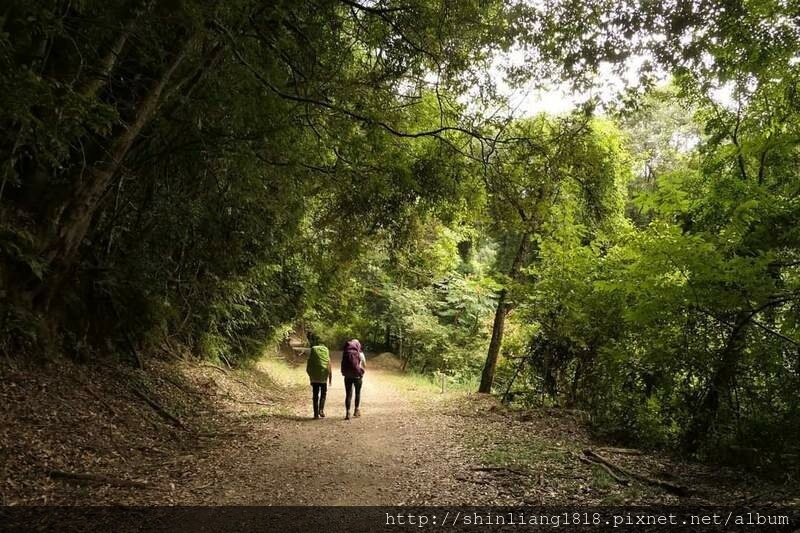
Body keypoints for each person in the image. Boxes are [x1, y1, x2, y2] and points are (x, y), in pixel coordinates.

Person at [305, 334, 331, 419]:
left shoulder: (312, 355)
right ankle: (321, 410)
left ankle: (315, 414)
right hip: (323, 378)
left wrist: (311, 376)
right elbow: (329, 367)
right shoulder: (326, 355)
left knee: (315, 395)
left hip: (314, 378)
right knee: (323, 394)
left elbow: (308, 368)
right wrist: (330, 378)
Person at [341, 338, 366, 420]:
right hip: (357, 376)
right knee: (357, 393)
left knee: (348, 394)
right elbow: (364, 365)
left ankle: (348, 412)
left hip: (347, 376)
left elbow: (343, 363)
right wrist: (361, 371)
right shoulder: (360, 354)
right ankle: (356, 410)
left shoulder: (346, 353)